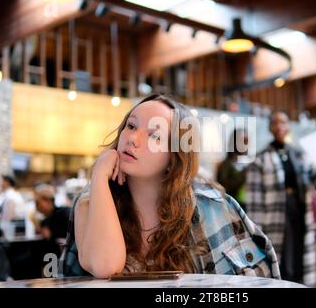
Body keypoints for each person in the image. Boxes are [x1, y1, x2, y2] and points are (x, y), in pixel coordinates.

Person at [61, 94, 280, 279]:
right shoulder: (91, 201)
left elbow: (255, 280)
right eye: (131, 126)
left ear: (174, 156)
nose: (133, 139)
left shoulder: (211, 207)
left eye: (154, 135)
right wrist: (99, 175)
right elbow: (105, 266)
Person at [246, 111, 316, 286]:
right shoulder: (261, 158)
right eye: (275, 123)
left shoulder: (299, 154)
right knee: (281, 256)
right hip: (275, 213)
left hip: (299, 208)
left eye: (283, 122)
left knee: (299, 253)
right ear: (270, 127)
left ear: (289, 127)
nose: (279, 126)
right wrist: (256, 230)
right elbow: (254, 200)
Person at [216, 128, 249, 211]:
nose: (244, 144)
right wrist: (245, 172)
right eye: (241, 140)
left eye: (246, 141)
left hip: (249, 207)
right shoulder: (224, 165)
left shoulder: (250, 161)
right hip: (232, 208)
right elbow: (225, 187)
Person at [34, 184, 71, 256]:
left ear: (48, 201)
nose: (36, 206)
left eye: (37, 202)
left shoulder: (64, 214)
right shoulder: (44, 221)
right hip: (51, 260)